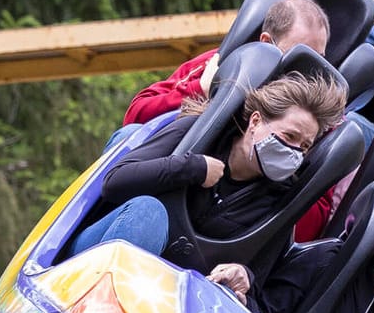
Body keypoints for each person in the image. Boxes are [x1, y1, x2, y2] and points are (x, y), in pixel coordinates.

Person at [71, 72, 348, 294]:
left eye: (304, 146)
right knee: (149, 212)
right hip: (99, 257)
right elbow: (114, 182)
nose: (294, 151)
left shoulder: (278, 200)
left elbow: (260, 277)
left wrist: (244, 275)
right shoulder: (197, 132)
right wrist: (192, 167)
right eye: (289, 137)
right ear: (255, 122)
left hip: (168, 293)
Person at [122, 0, 330, 126]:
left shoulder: (322, 103)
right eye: (296, 55)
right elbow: (135, 115)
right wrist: (201, 88)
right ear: (266, 42)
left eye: (315, 60)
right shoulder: (221, 63)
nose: (304, 72)